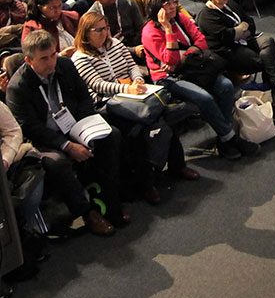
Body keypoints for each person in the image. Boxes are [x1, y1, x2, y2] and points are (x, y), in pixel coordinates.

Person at [6, 29, 137, 236]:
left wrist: (84, 131)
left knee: (111, 135)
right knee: (56, 162)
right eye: (44, 59)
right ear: (29, 61)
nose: (51, 63)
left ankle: (112, 200)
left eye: (53, 55)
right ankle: (87, 213)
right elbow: (31, 128)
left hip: (76, 127)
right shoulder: (18, 87)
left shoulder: (65, 65)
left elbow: (84, 98)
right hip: (46, 140)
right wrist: (67, 145)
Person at [71, 12, 196, 182]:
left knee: (158, 121)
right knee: (146, 125)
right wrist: (127, 88)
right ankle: (148, 181)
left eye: (106, 28)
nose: (104, 33)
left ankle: (176, 166)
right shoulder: (80, 58)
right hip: (107, 103)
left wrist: (137, 79)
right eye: (98, 30)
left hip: (133, 94)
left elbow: (132, 66)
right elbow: (98, 85)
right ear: (86, 33)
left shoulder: (115, 44)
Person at [140, 0, 256, 161]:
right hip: (167, 79)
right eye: (167, 4)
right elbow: (170, 60)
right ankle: (231, 138)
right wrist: (169, 30)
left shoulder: (180, 19)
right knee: (205, 98)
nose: (172, 7)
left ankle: (224, 141)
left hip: (192, 69)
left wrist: (184, 56)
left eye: (174, 2)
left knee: (225, 86)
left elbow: (202, 41)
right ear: (157, 8)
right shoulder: (150, 31)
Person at [195, 0, 275, 125]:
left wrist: (240, 30)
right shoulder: (206, 15)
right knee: (266, 61)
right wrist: (241, 28)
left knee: (268, 42)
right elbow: (226, 37)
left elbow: (250, 23)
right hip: (228, 52)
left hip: (244, 41)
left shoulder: (230, 4)